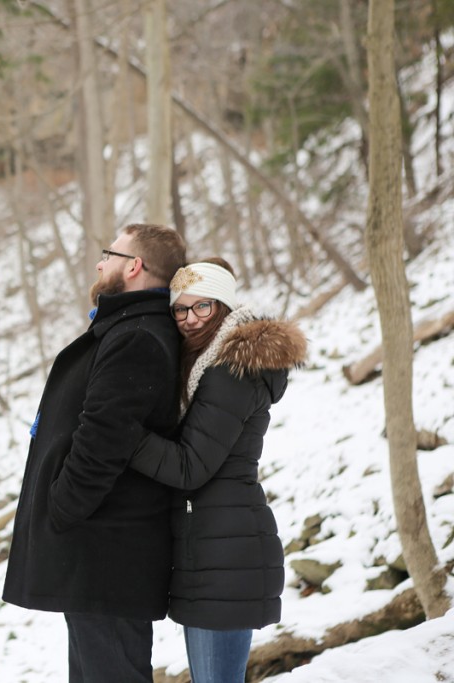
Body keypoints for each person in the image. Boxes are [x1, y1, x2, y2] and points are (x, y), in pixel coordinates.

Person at [2, 223, 187, 683]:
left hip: (108, 553)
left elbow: (103, 439)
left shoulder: (137, 337)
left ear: (135, 266)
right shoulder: (126, 329)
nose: (101, 263)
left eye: (110, 253)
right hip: (99, 553)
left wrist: (62, 508)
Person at [127, 258, 307, 683]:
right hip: (209, 548)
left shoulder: (230, 371)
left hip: (227, 554)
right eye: (180, 309)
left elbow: (190, 467)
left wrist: (123, 436)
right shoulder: (203, 365)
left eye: (202, 306)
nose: (190, 319)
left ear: (223, 306)